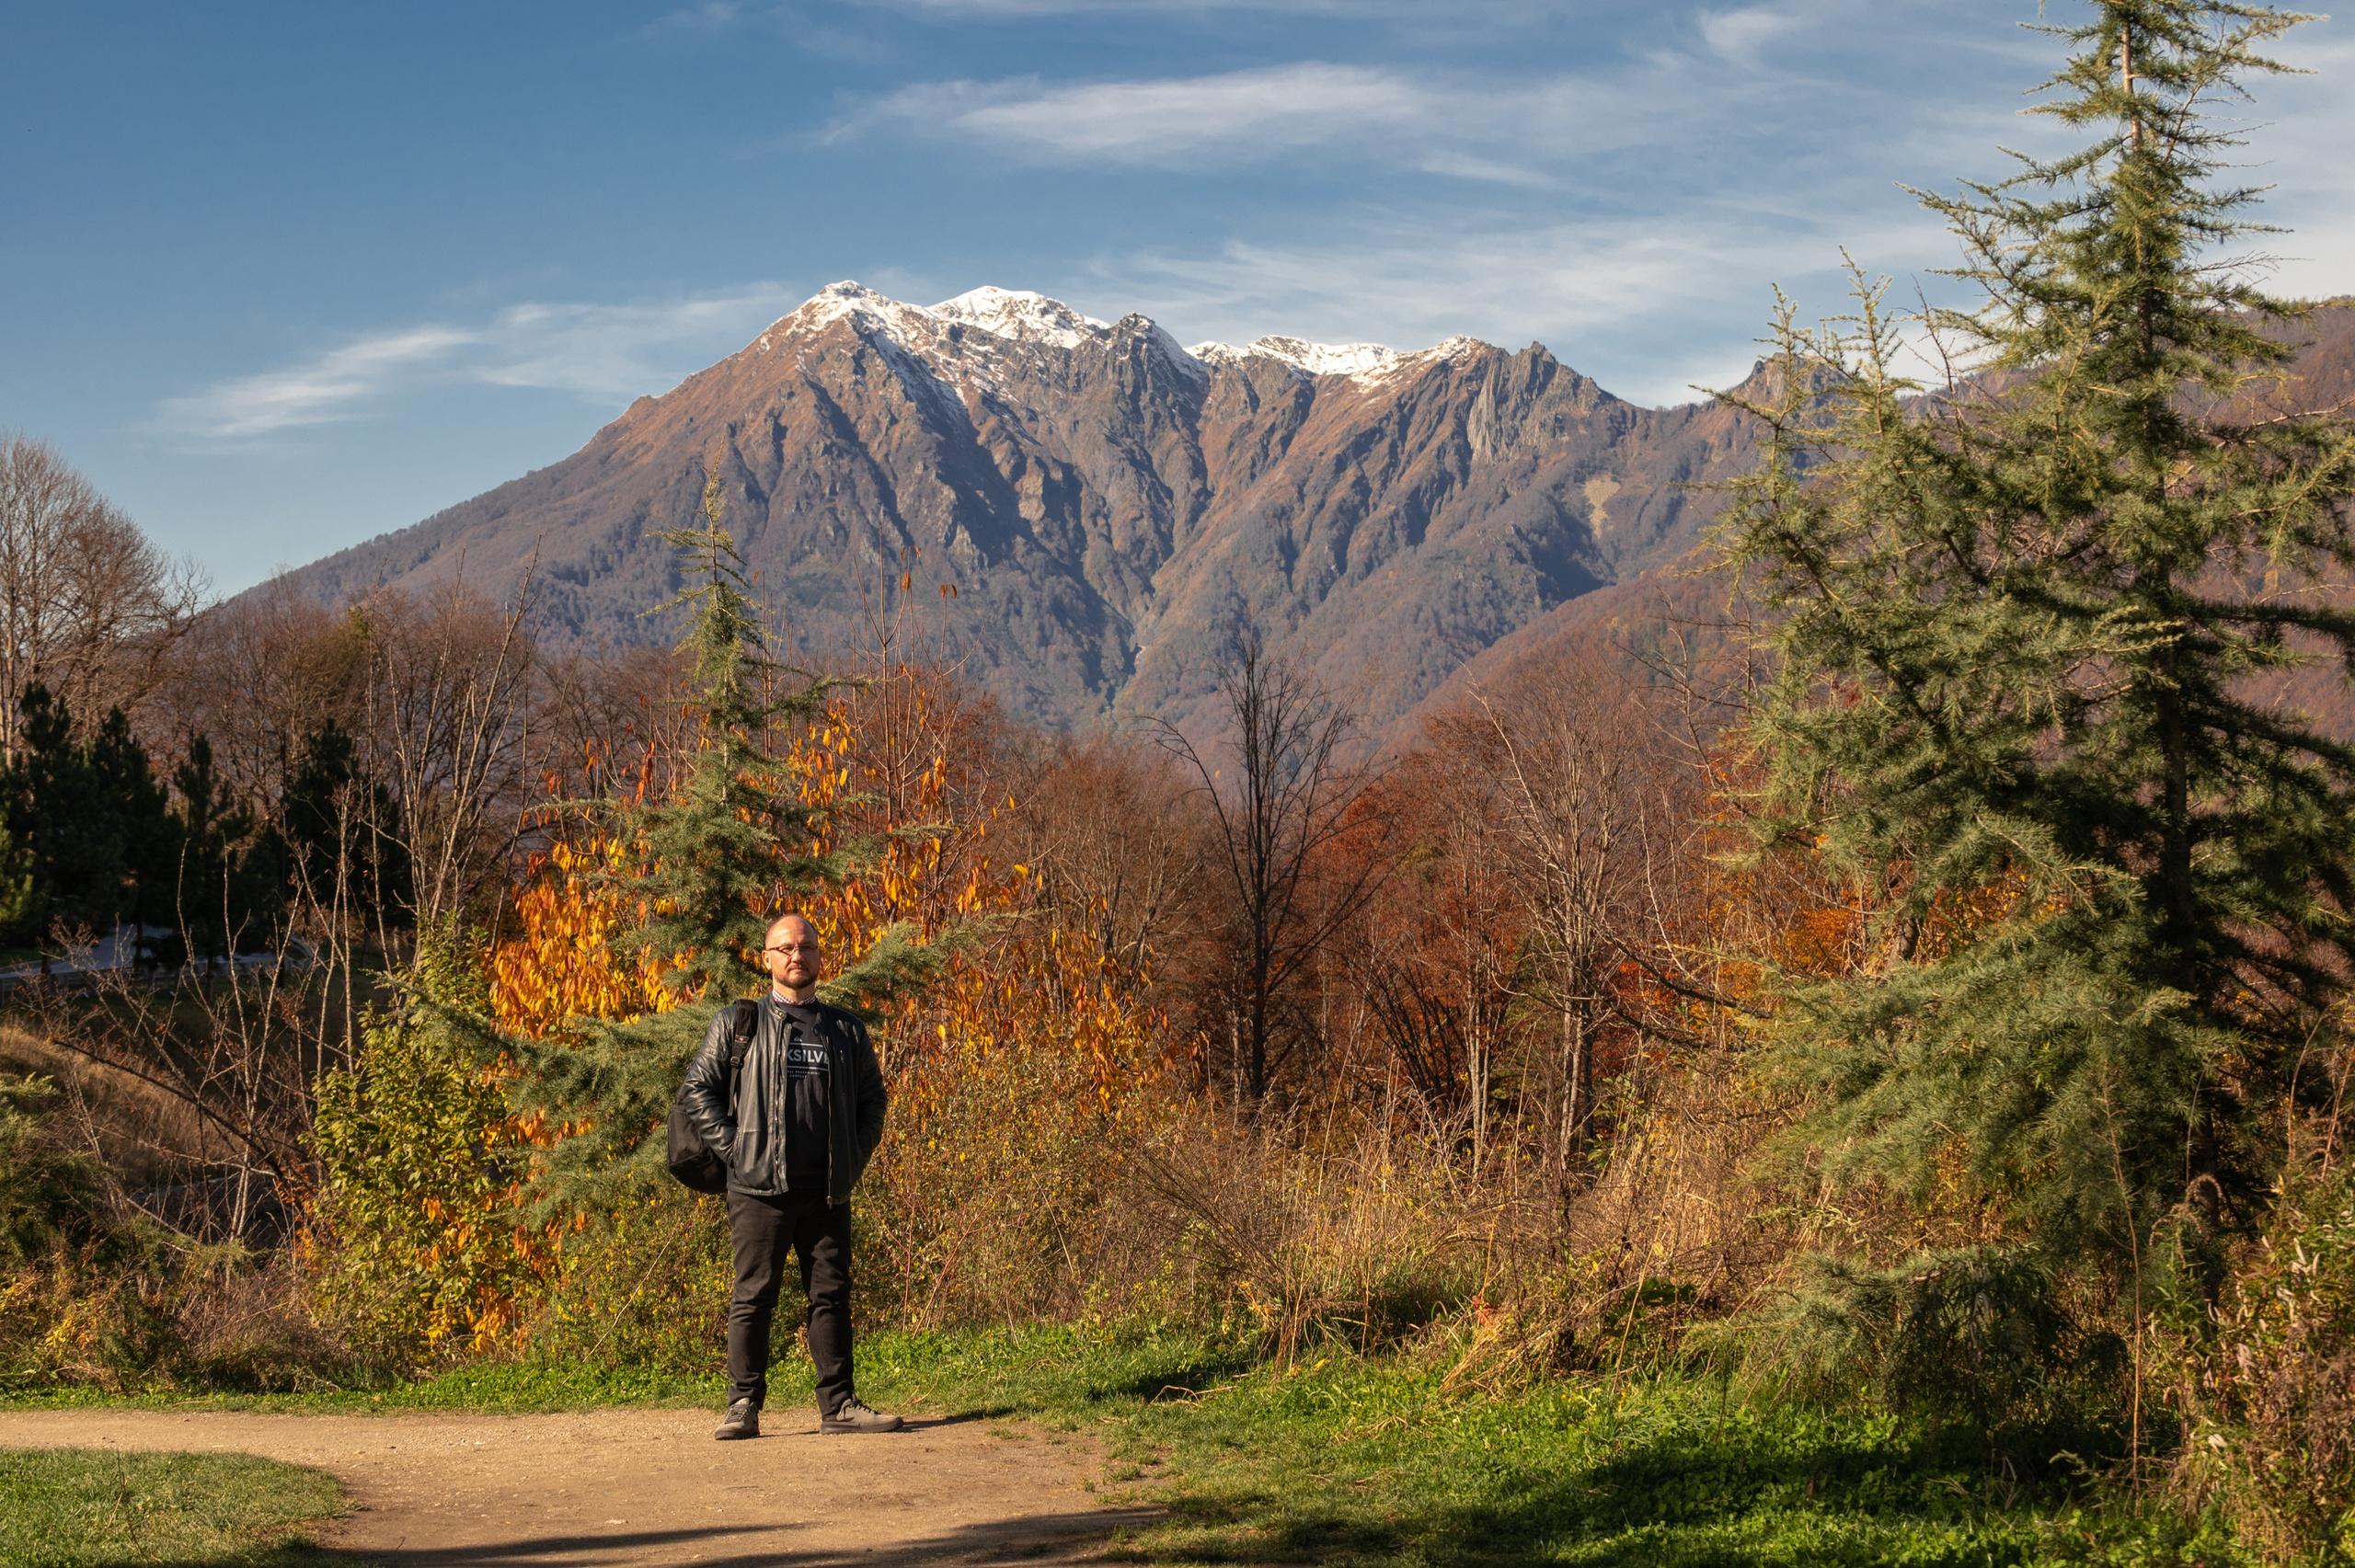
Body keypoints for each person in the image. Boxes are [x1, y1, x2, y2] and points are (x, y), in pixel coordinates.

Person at [680, 911, 902, 1437]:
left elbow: (874, 1100)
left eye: (805, 947)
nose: (796, 955)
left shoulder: (845, 1028)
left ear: (820, 957)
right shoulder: (739, 1023)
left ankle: (839, 1406)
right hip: (758, 1188)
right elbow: (697, 1090)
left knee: (832, 1296)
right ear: (767, 959)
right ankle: (742, 1406)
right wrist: (736, 1148)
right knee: (753, 1295)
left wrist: (855, 1153)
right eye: (784, 948)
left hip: (826, 1189)